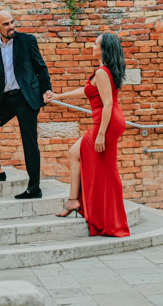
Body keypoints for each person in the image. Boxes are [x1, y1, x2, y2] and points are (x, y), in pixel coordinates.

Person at [48, 33, 130, 237]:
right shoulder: (104, 72)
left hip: (106, 123)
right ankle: (74, 200)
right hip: (107, 121)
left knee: (109, 170)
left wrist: (101, 134)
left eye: (95, 43)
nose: (91, 45)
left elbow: (108, 103)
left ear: (103, 49)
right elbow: (86, 91)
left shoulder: (102, 72)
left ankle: (115, 222)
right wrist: (58, 96)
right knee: (75, 153)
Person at [0, 10, 52, 199]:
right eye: (6, 24)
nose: (11, 27)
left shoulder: (27, 41)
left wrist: (46, 90)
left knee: (29, 143)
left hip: (26, 99)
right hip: (5, 100)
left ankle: (34, 188)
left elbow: (41, 68)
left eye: (12, 22)